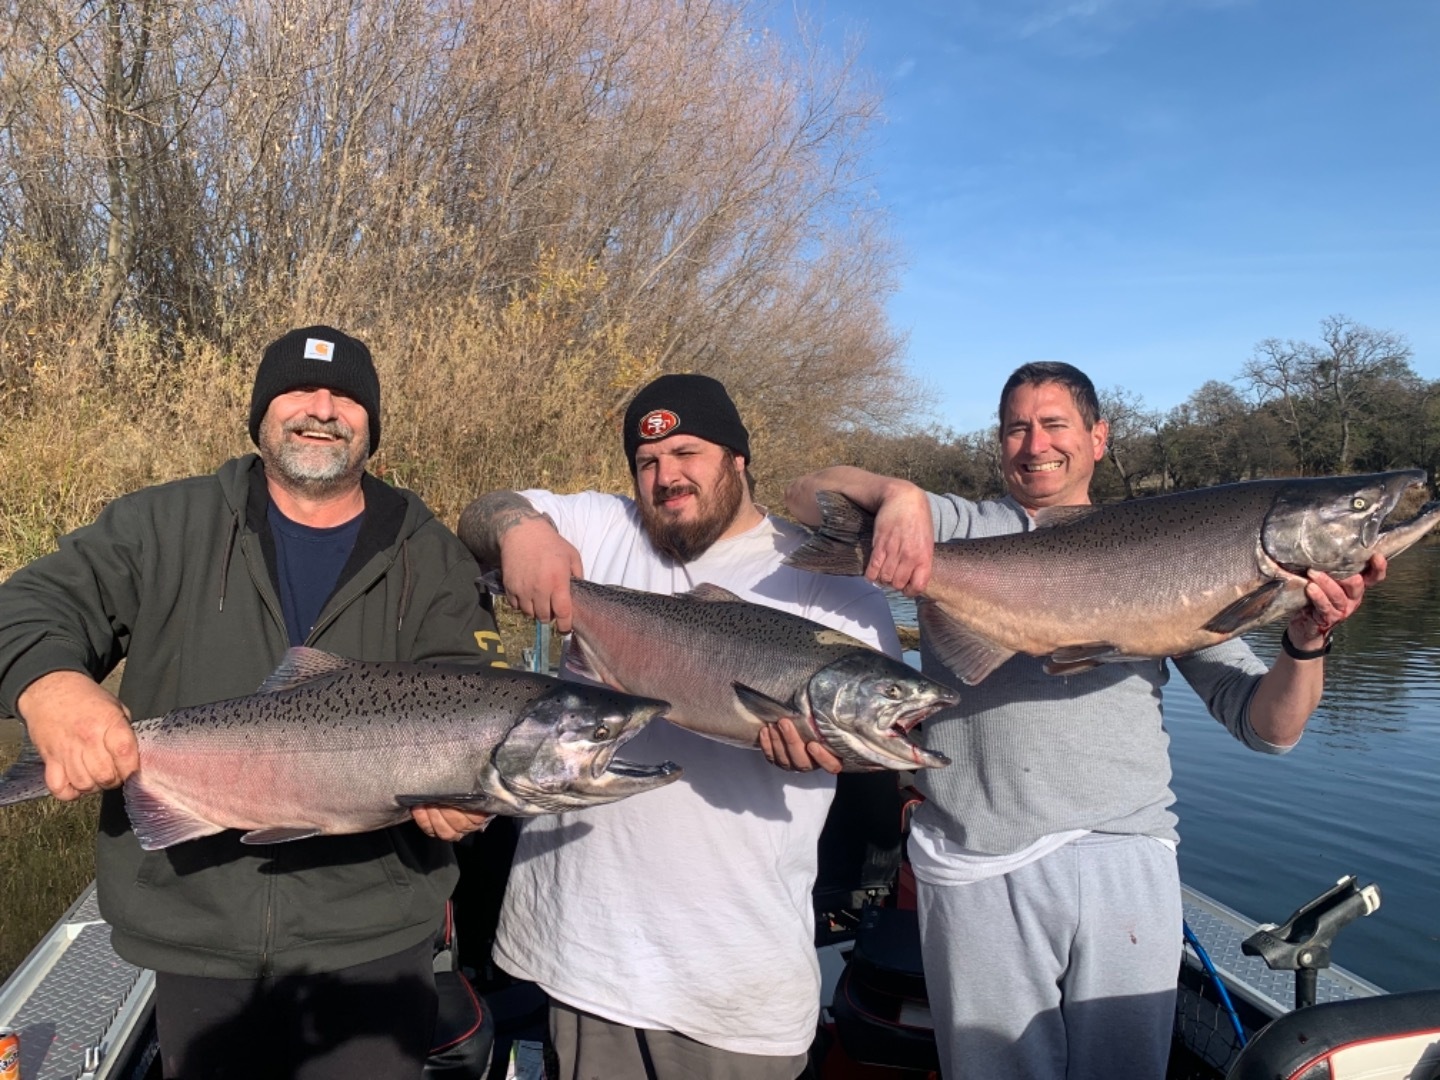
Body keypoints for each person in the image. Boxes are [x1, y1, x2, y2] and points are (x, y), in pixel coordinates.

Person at [784, 361, 1384, 1080]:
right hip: (978, 858)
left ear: (1098, 438)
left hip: (1124, 853)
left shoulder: (1176, 550)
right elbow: (802, 495)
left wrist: (1306, 639)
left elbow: (1269, 727)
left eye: (1055, 424)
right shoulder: (956, 527)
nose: (1035, 444)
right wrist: (898, 495)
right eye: (1016, 427)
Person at [0, 325, 504, 1080]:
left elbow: (477, 690)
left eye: (345, 397)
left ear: (371, 422)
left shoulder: (429, 553)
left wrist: (474, 801)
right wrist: (52, 687)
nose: (322, 409)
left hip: (375, 940)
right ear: (262, 413)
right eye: (297, 391)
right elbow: (32, 604)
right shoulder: (164, 525)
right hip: (197, 930)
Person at [458, 373, 899, 1080]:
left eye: (688, 453)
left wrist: (835, 757)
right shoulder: (604, 528)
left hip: (733, 993)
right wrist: (522, 533)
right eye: (648, 463)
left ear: (738, 459)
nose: (667, 478)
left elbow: (871, 733)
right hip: (581, 962)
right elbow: (484, 511)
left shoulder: (824, 579)